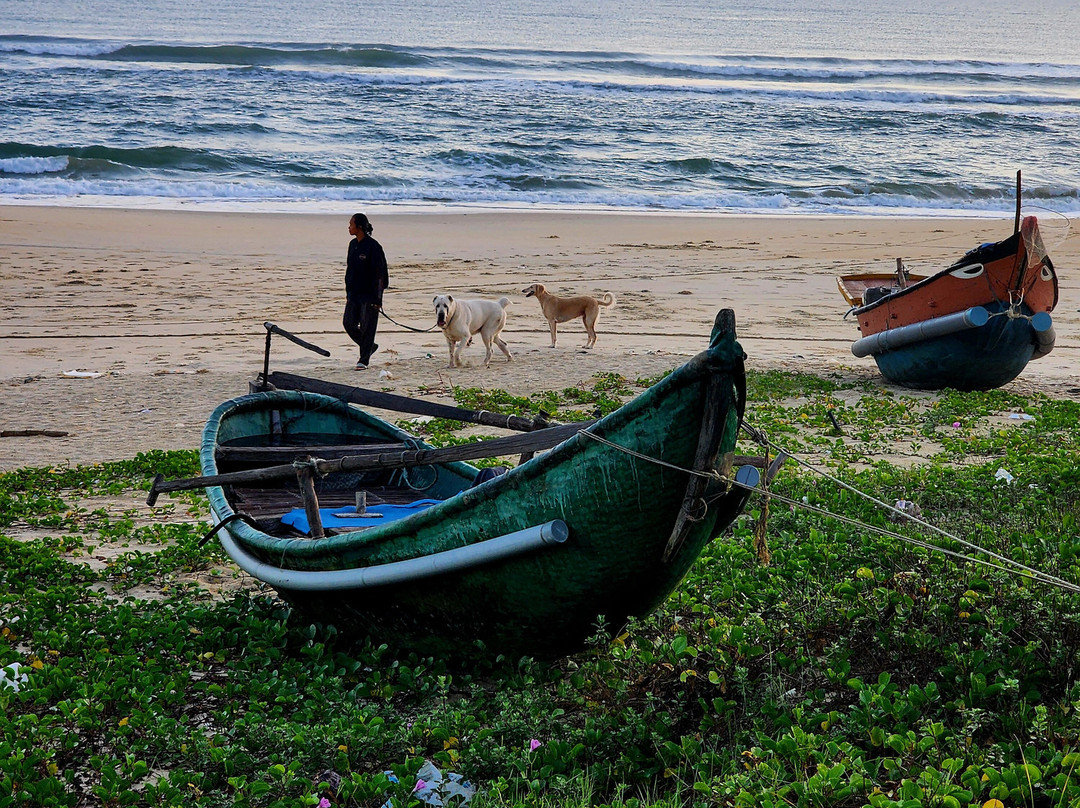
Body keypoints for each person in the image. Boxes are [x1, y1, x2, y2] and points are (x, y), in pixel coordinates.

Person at [343, 212, 388, 370]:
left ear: (360, 226)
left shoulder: (373, 247)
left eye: (351, 224)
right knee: (348, 323)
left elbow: (380, 275)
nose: (349, 227)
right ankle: (369, 347)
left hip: (370, 295)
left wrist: (378, 299)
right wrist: (348, 292)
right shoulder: (352, 245)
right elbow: (350, 270)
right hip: (354, 294)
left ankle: (363, 360)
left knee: (367, 326)